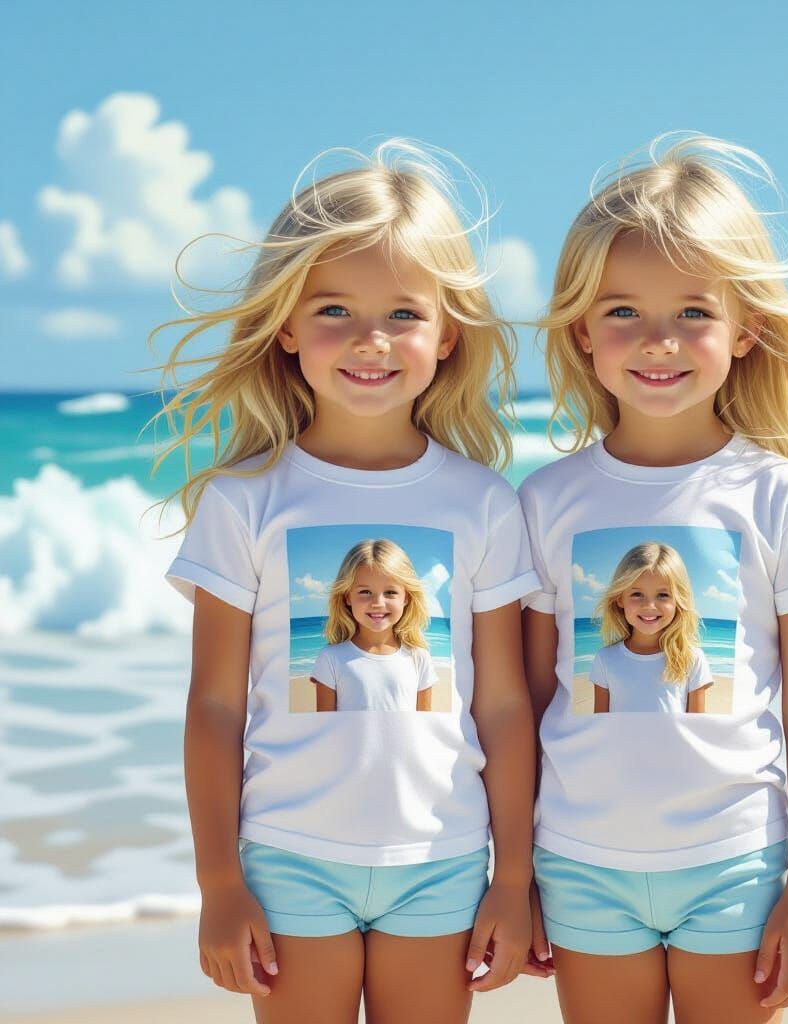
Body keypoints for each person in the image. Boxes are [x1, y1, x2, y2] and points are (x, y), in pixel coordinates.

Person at [154, 140, 546, 1024]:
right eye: (334, 308)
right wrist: (220, 884)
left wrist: (513, 879)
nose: (370, 340)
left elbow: (507, 707)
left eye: (404, 313)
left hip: (443, 859)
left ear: (448, 334)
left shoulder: (483, 503)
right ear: (286, 325)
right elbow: (214, 706)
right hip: (288, 858)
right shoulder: (244, 500)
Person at [519, 133, 788, 1023]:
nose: (658, 342)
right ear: (581, 331)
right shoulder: (546, 501)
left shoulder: (781, 497)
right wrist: (513, 873)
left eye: (692, 313)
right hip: (580, 864)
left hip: (738, 865)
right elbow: (525, 700)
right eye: (624, 313)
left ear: (746, 328)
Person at [311, 539, 437, 713]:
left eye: (390, 592)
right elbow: (324, 730)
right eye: (365, 592)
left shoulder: (419, 658)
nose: (378, 603)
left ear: (406, 597)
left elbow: (424, 727)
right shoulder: (331, 658)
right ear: (347, 596)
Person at [589, 542, 713, 714]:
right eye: (637, 594)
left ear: (678, 600)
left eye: (663, 595)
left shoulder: (692, 659)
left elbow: (697, 730)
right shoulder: (605, 659)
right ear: (620, 598)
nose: (649, 606)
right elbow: (600, 728)